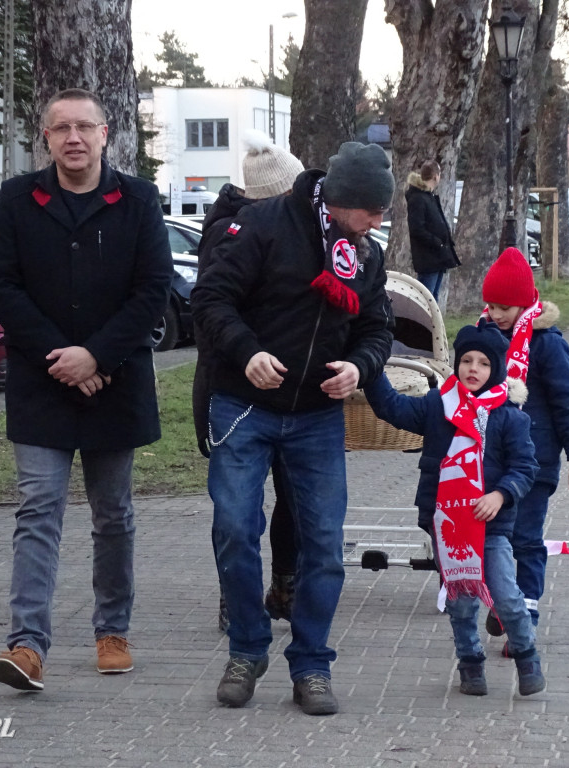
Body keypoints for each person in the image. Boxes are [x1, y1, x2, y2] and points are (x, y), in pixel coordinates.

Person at [191, 141, 396, 716]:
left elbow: (378, 329)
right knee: (235, 528)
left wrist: (361, 366)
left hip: (316, 416)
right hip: (244, 405)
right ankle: (247, 648)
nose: (377, 223)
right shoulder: (261, 227)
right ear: (340, 200)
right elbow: (209, 301)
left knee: (324, 546)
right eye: (372, 211)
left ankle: (310, 664)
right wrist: (247, 351)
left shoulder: (365, 255)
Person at [0, 88, 173, 691]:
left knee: (113, 514)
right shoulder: (18, 198)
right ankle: (26, 644)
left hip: (114, 385)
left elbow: (153, 288)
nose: (72, 138)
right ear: (46, 137)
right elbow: (1, 286)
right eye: (60, 127)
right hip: (43, 385)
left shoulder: (137, 199)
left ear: (104, 133)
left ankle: (112, 630)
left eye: (83, 127)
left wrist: (97, 355)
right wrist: (60, 358)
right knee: (38, 510)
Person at [362, 321, 543, 697]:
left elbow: (525, 468)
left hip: (490, 527)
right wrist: (371, 367)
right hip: (448, 527)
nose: (473, 369)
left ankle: (527, 655)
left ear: (496, 371)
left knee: (506, 596)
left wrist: (501, 494)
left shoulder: (509, 416)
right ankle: (470, 663)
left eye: (482, 363)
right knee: (460, 603)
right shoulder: (437, 406)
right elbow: (393, 408)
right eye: (466, 361)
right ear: (456, 365)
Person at [192, 130, 305, 630]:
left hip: (287, 385)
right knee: (240, 508)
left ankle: (284, 585)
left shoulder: (281, 225)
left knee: (293, 497)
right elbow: (216, 311)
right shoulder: (232, 235)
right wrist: (252, 353)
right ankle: (237, 595)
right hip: (238, 388)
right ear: (278, 195)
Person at [480, 247, 569, 641]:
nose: (496, 314)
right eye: (491, 305)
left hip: (534, 463)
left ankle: (522, 619)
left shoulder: (547, 344)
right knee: (496, 540)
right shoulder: (484, 340)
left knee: (525, 539)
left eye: (505, 307)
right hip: (491, 464)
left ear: (526, 303)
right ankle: (503, 600)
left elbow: (567, 402)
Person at [406, 160, 460, 301]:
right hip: (428, 258)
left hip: (438, 256)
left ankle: (432, 323)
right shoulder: (418, 198)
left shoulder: (428, 196)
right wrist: (437, 242)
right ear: (436, 176)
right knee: (426, 299)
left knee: (433, 297)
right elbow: (417, 228)